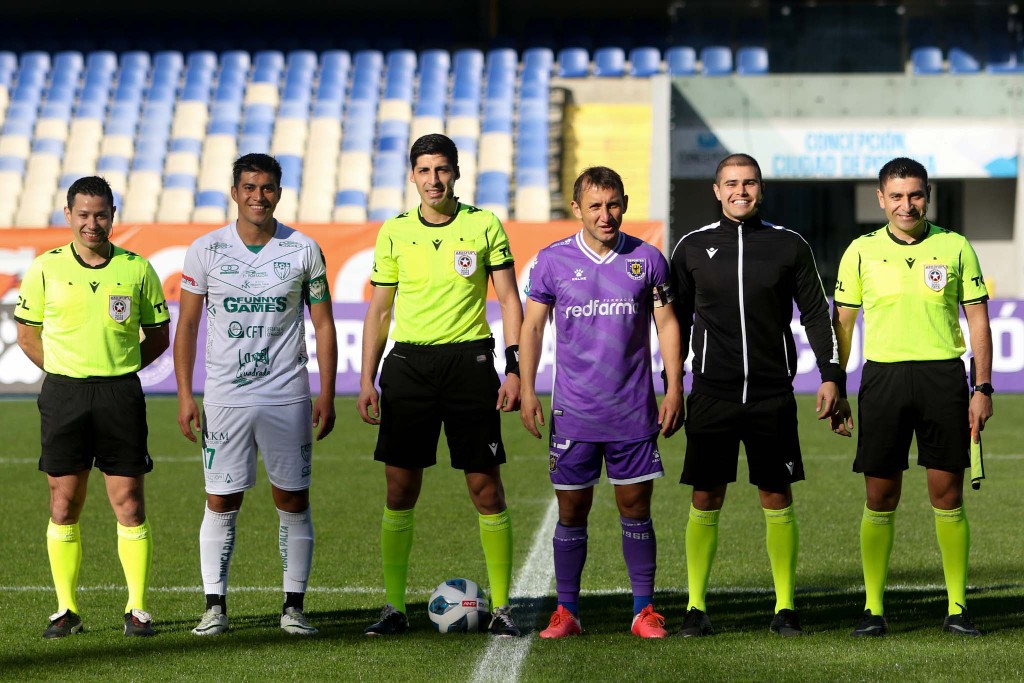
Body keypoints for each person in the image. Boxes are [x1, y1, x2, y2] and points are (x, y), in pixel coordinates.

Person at [670, 153, 844, 637]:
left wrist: (831, 375)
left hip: (771, 394)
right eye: (731, 183)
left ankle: (785, 607)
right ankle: (695, 607)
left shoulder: (789, 245)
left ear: (760, 189)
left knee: (776, 493)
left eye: (749, 183)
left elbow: (815, 312)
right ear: (716, 190)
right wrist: (670, 384)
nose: (740, 191)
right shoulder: (691, 247)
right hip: (711, 393)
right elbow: (674, 324)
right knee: (706, 496)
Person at [357, 133, 523, 637]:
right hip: (408, 366)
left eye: (442, 169)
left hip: (469, 363)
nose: (434, 179)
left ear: (456, 173)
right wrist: (366, 377)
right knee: (400, 488)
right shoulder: (394, 232)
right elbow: (380, 309)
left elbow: (510, 300)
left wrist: (514, 367)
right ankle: (393, 608)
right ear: (412, 175)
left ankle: (501, 608)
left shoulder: (483, 224)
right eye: (424, 170)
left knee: (485, 486)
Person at [175, 153, 338, 637]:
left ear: (279, 193)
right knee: (220, 500)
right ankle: (214, 607)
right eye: (249, 187)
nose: (257, 196)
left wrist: (327, 393)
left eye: (266, 188)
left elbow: (324, 324)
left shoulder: (304, 249)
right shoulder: (205, 250)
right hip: (225, 396)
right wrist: (186, 395)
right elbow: (186, 325)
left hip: (287, 393)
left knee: (292, 498)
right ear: (234, 192)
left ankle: (293, 607)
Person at [831, 157, 993, 637]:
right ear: (881, 199)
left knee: (947, 493)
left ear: (928, 195)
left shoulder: (955, 245)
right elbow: (843, 323)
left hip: (943, 378)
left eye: (915, 194)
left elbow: (978, 321)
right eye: (897, 196)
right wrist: (836, 383)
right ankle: (874, 609)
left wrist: (982, 387)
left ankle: (959, 608)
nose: (907, 204)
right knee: (880, 496)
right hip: (882, 379)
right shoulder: (859, 251)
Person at [519, 166, 683, 639]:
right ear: (577, 209)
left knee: (635, 508)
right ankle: (566, 611)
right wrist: (528, 388)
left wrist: (674, 386)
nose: (605, 214)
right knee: (571, 511)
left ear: (625, 204)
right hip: (574, 411)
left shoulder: (647, 259)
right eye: (595, 205)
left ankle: (643, 610)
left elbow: (667, 324)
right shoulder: (551, 261)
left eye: (613, 204)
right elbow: (531, 327)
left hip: (632, 410)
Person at [15, 176, 170, 639]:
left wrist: (117, 367)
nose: (92, 223)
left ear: (112, 215)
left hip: (119, 395)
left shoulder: (137, 268)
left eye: (100, 214)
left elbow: (158, 335)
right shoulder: (44, 268)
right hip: (64, 395)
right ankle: (66, 609)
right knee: (63, 504)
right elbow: (27, 335)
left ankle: (137, 608)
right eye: (83, 214)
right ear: (68, 215)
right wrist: (65, 370)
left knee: (129, 503)